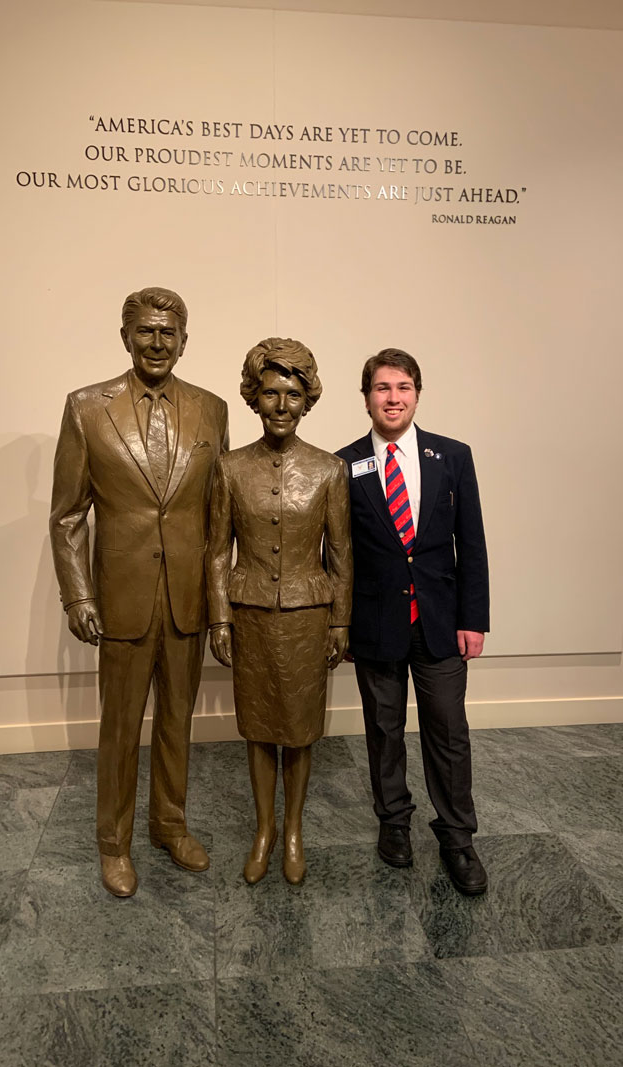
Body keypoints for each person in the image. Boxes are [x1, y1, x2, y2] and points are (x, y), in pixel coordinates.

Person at [50, 286, 228, 898]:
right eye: (146, 331)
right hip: (120, 598)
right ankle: (114, 842)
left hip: (188, 598)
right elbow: (68, 515)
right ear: (125, 336)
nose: (157, 342)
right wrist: (78, 596)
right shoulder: (86, 407)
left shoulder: (213, 409)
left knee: (178, 720)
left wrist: (221, 602)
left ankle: (169, 825)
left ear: (185, 339)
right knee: (120, 727)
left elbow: (219, 516)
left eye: (168, 332)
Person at [336, 349, 490, 894]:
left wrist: (474, 618)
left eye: (402, 387)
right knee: (383, 730)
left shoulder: (451, 456)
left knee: (449, 732)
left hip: (441, 621)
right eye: (382, 388)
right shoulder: (344, 464)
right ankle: (393, 823)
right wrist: (342, 623)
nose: (393, 397)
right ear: (367, 398)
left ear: (417, 394)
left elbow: (470, 542)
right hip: (375, 623)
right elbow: (339, 555)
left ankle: (457, 838)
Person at [207, 338, 352, 885]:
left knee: (299, 729)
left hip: (307, 616)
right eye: (270, 393)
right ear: (253, 397)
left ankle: (293, 831)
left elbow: (341, 552)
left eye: (293, 394)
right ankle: (263, 829)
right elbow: (217, 550)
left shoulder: (329, 470)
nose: (282, 405)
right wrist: (219, 617)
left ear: (308, 398)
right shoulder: (229, 469)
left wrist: (340, 620)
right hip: (248, 616)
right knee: (258, 727)